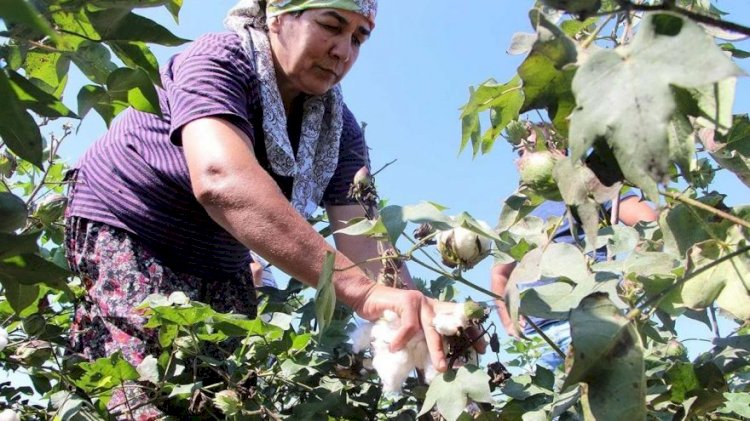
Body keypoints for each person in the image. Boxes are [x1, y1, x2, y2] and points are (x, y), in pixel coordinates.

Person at [64, 1, 457, 417]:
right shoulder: (218, 58)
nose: (343, 51)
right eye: (331, 25)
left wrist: (419, 320)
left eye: (358, 39)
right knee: (137, 391)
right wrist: (364, 292)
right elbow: (222, 179)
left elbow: (365, 242)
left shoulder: (338, 129)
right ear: (277, 16)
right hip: (129, 225)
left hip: (219, 257)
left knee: (222, 396)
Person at [491, 150, 658, 371]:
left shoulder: (590, 189)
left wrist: (634, 273)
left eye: (534, 148)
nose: (525, 157)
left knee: (603, 398)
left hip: (591, 319)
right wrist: (507, 320)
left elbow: (648, 221)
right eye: (521, 152)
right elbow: (499, 273)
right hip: (538, 336)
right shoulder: (518, 212)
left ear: (558, 152)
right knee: (550, 403)